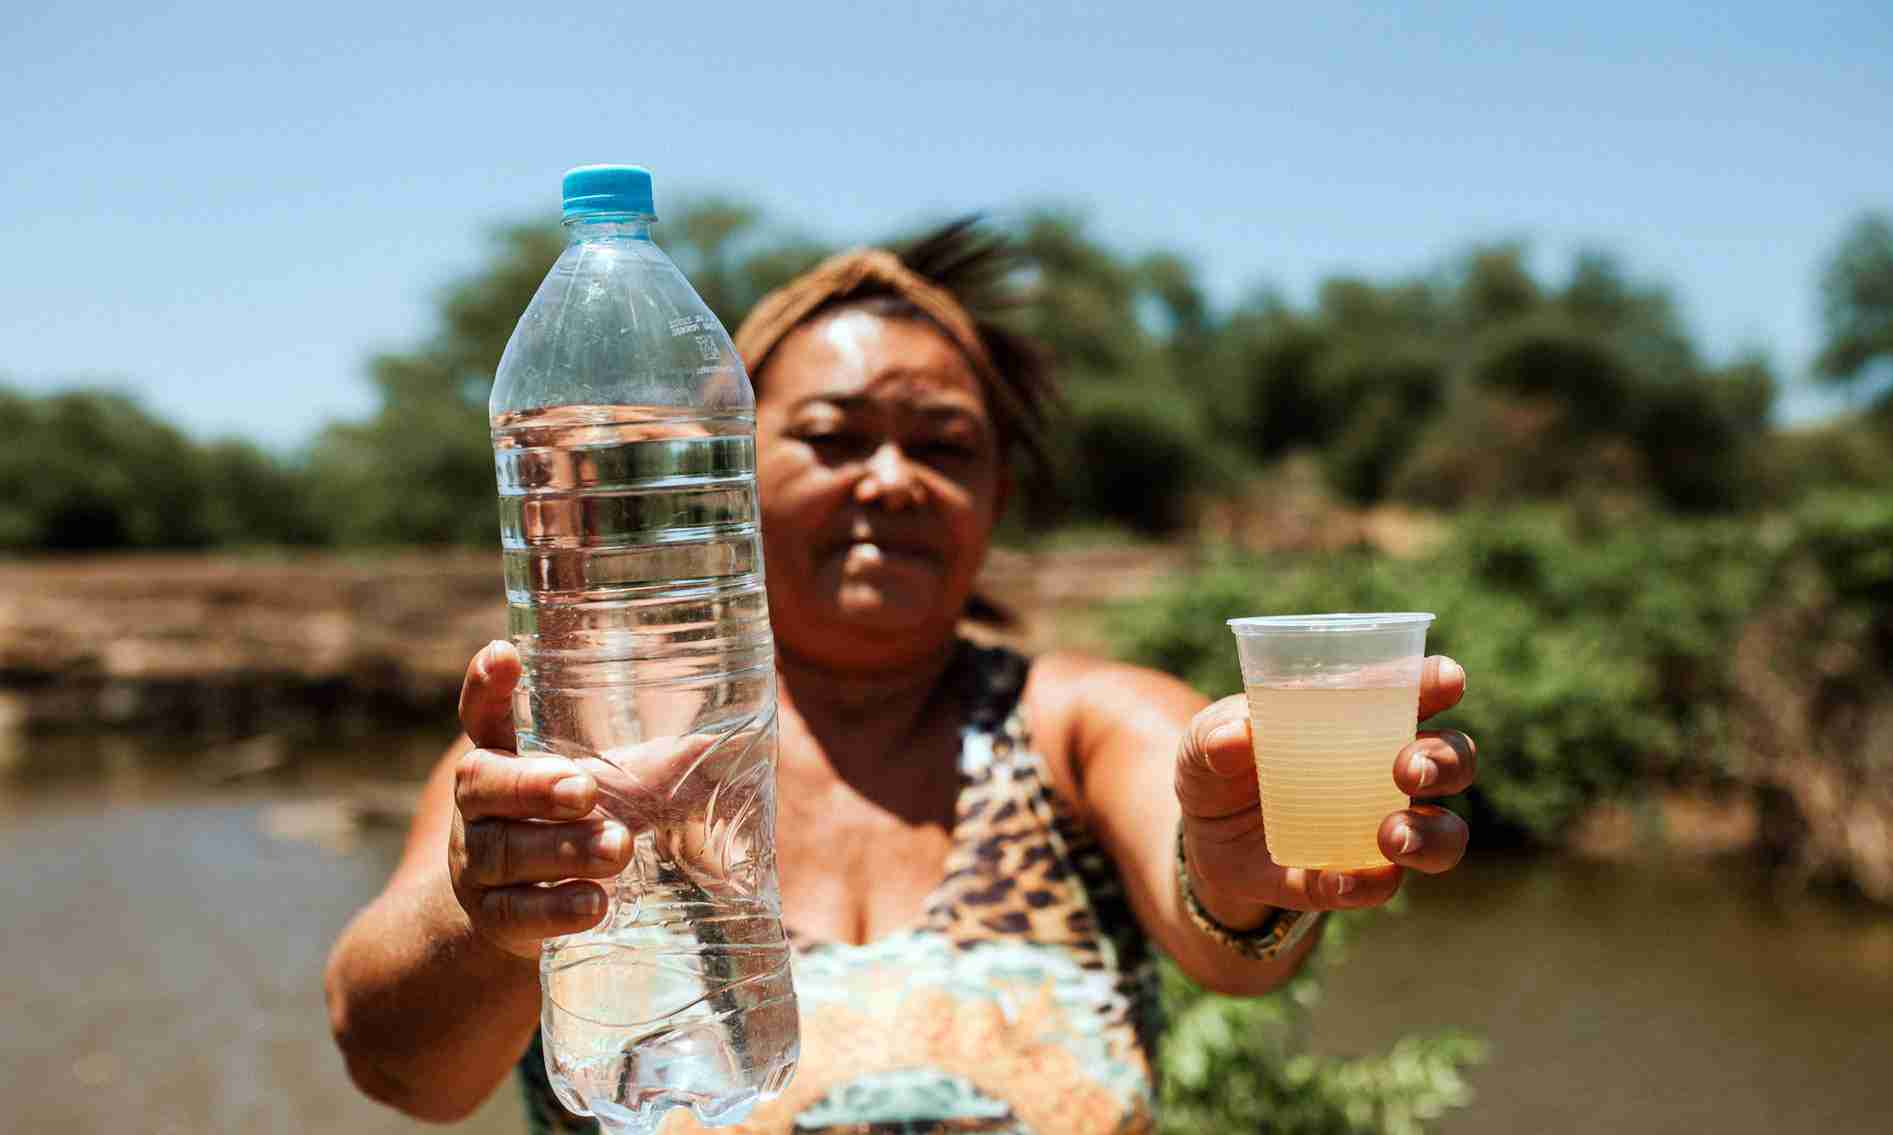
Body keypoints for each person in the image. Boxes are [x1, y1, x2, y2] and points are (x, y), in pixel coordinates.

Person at [325, 222, 1477, 1134]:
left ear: (996, 499)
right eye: (835, 436)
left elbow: (1217, 899)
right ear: (726, 471)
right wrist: (488, 913)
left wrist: (1241, 869)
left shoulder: (1067, 723)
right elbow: (400, 1069)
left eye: (944, 446)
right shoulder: (589, 745)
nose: (894, 480)